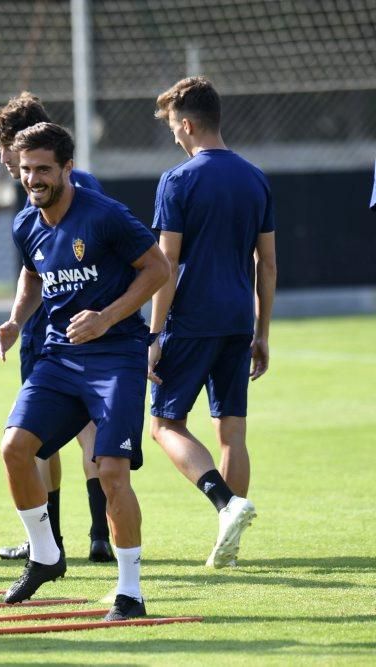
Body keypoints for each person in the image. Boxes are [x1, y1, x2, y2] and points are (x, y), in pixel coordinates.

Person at [0, 123, 170, 620]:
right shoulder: (26, 222)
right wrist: (14, 320)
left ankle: (130, 593)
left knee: (112, 472)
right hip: (58, 357)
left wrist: (107, 317)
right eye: (26, 170)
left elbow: (158, 269)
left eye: (43, 169)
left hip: (116, 357)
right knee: (14, 448)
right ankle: (45, 554)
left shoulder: (105, 215)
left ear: (67, 168)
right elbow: (33, 274)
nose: (33, 179)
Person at [148, 76, 277, 568]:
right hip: (238, 320)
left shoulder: (177, 181)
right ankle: (231, 540)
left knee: (164, 424)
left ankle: (227, 505)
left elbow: (166, 264)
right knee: (232, 432)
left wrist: (155, 334)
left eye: (174, 130)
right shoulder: (255, 177)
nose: (175, 139)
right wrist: (262, 333)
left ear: (187, 124)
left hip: (192, 320)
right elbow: (268, 263)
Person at [0, 92, 113, 564]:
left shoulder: (68, 189)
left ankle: (51, 540)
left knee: (38, 432)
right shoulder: (49, 188)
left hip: (63, 329)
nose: (3, 160)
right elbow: (32, 269)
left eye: (4, 148)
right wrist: (15, 318)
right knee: (86, 432)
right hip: (55, 324)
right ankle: (97, 534)